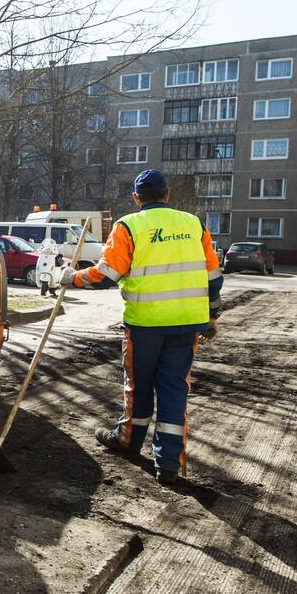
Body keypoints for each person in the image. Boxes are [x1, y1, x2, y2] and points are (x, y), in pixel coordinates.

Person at [60, 169, 223, 485]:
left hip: (145, 325)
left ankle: (128, 441)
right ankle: (169, 464)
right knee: (175, 389)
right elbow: (213, 277)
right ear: (167, 194)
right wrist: (213, 316)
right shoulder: (194, 225)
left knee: (139, 385)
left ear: (136, 198)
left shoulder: (128, 226)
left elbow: (106, 275)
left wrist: (73, 277)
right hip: (187, 324)